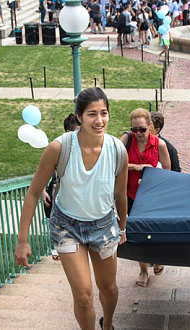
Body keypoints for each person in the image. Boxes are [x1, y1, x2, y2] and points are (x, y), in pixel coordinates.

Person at [14, 87, 128, 330]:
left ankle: (107, 325)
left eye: (104, 113)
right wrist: (22, 240)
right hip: (67, 226)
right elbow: (33, 192)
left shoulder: (117, 149)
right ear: (79, 117)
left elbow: (120, 194)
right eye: (91, 114)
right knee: (84, 296)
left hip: (104, 225)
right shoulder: (60, 148)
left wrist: (123, 227)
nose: (99, 121)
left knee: (108, 288)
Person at [120, 108, 171, 287]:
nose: (139, 134)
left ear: (150, 126)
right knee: (136, 232)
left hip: (152, 196)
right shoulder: (126, 140)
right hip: (130, 194)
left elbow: (167, 172)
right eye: (135, 130)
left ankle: (157, 258)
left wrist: (149, 176)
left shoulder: (160, 145)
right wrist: (137, 167)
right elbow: (117, 164)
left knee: (154, 230)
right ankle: (143, 270)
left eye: (142, 129)